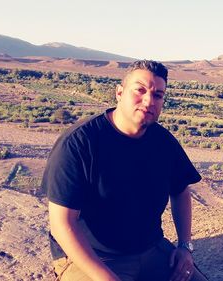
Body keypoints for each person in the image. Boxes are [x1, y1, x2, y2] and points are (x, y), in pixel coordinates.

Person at [42, 60, 208, 281]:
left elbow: (180, 191)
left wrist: (185, 246)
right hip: (91, 257)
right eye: (140, 90)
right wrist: (107, 278)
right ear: (119, 93)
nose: (149, 100)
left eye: (158, 95)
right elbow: (62, 224)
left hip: (150, 250)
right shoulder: (80, 143)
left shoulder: (163, 142)